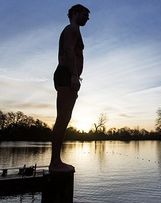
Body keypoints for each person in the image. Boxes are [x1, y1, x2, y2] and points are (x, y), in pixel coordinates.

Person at [49, 4, 90, 172]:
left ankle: (56, 161)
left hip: (68, 76)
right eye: (85, 14)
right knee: (62, 119)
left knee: (64, 119)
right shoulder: (71, 29)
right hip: (66, 75)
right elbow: (68, 51)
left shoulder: (75, 30)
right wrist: (74, 75)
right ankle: (55, 163)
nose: (88, 18)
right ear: (75, 13)